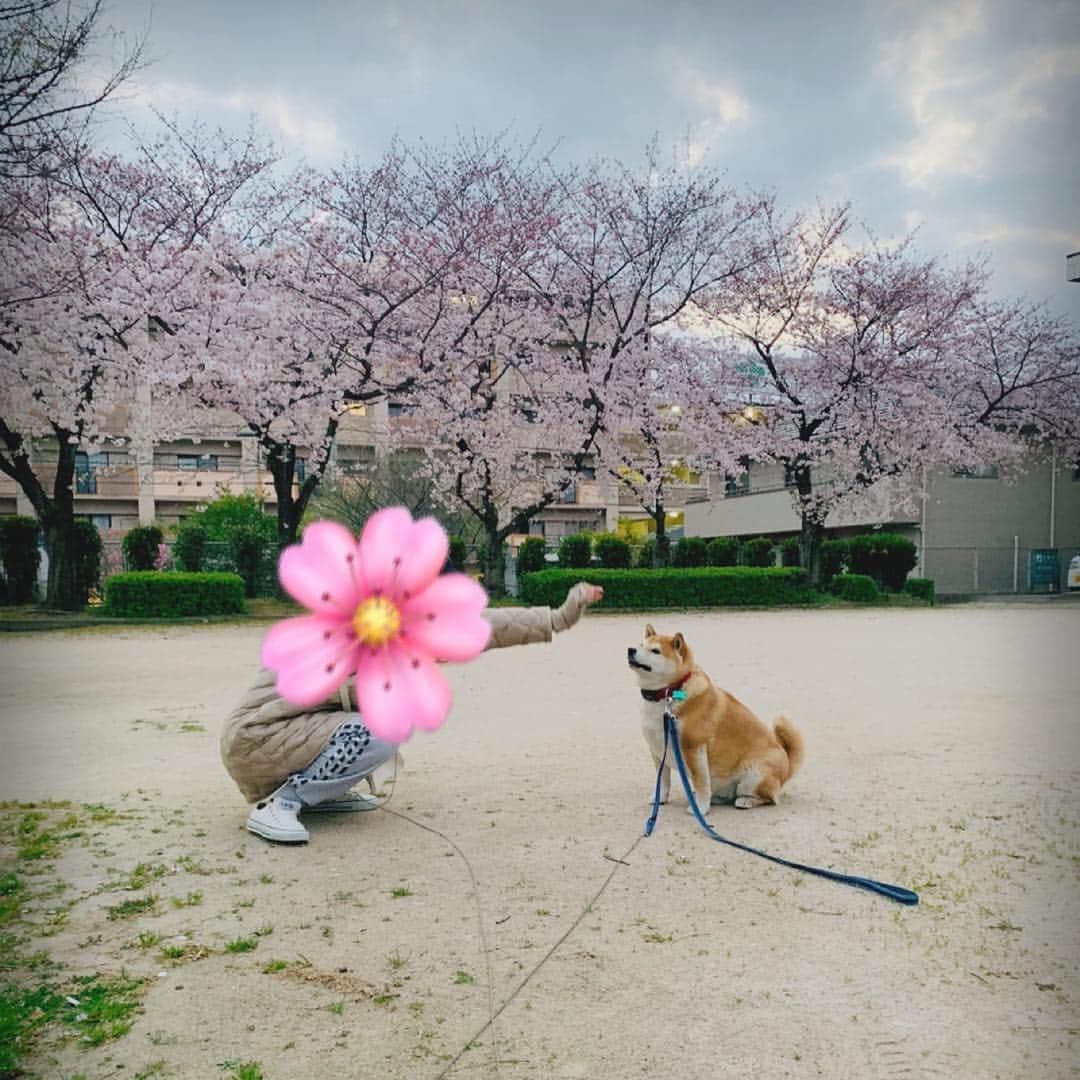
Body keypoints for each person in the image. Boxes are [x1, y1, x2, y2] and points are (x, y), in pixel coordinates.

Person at [222, 582, 603, 843]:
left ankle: (320, 794)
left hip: (282, 735)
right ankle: (281, 803)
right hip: (257, 740)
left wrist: (560, 617)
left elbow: (484, 627)